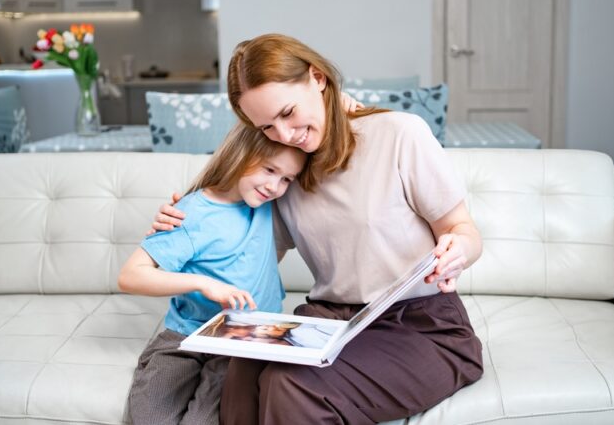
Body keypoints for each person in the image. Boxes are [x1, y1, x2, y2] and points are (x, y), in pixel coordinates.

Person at [151, 33, 484, 425]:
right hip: (330, 322)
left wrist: (457, 249)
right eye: (267, 127)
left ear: (318, 78)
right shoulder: (284, 172)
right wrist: (188, 220)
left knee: (291, 384)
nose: (285, 134)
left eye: (288, 112)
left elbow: (464, 231)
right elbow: (240, 248)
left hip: (421, 326)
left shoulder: (400, 134)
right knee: (245, 367)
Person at [117, 122, 306, 425]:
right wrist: (205, 284)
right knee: (148, 417)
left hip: (246, 339)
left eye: (286, 178)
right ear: (240, 155)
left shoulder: (274, 204)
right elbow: (130, 276)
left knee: (204, 419)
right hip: (185, 336)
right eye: (269, 170)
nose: (275, 186)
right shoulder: (190, 213)